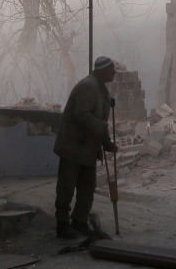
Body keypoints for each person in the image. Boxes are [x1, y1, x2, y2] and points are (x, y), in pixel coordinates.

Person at [52, 56, 118, 239]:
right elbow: (82, 114)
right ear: (102, 70)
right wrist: (101, 131)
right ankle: (62, 225)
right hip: (73, 146)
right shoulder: (88, 86)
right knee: (66, 187)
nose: (114, 71)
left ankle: (79, 222)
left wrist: (106, 142)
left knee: (87, 188)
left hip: (87, 148)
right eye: (112, 68)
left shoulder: (102, 91)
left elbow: (101, 121)